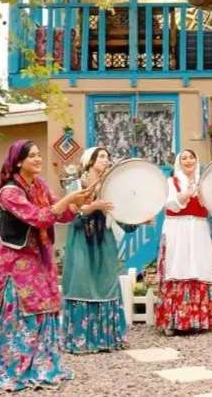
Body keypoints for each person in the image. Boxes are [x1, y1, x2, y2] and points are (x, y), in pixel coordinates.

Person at [0, 140, 90, 390]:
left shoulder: (40, 185)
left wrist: (77, 203)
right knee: (23, 309)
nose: (38, 159)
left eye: (39, 154)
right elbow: (38, 217)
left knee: (44, 306)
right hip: (16, 261)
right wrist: (68, 199)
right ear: (19, 162)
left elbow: (61, 214)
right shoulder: (9, 192)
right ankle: (11, 366)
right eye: (32, 156)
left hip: (39, 256)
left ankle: (42, 364)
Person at [62, 146, 134, 353]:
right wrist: (93, 207)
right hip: (81, 240)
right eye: (101, 156)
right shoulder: (75, 185)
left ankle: (107, 339)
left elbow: (121, 216)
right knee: (81, 281)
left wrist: (139, 219)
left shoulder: (110, 187)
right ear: (90, 161)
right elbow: (72, 214)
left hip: (104, 240)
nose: (105, 159)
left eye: (107, 157)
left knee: (106, 283)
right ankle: (81, 339)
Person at [155, 149, 212, 335]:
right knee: (176, 266)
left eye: (191, 157)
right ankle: (173, 320)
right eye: (184, 158)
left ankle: (198, 320)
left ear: (196, 161)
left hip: (198, 229)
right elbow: (170, 204)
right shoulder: (172, 182)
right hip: (177, 229)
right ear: (179, 162)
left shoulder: (203, 183)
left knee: (199, 266)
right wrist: (186, 194)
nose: (188, 160)